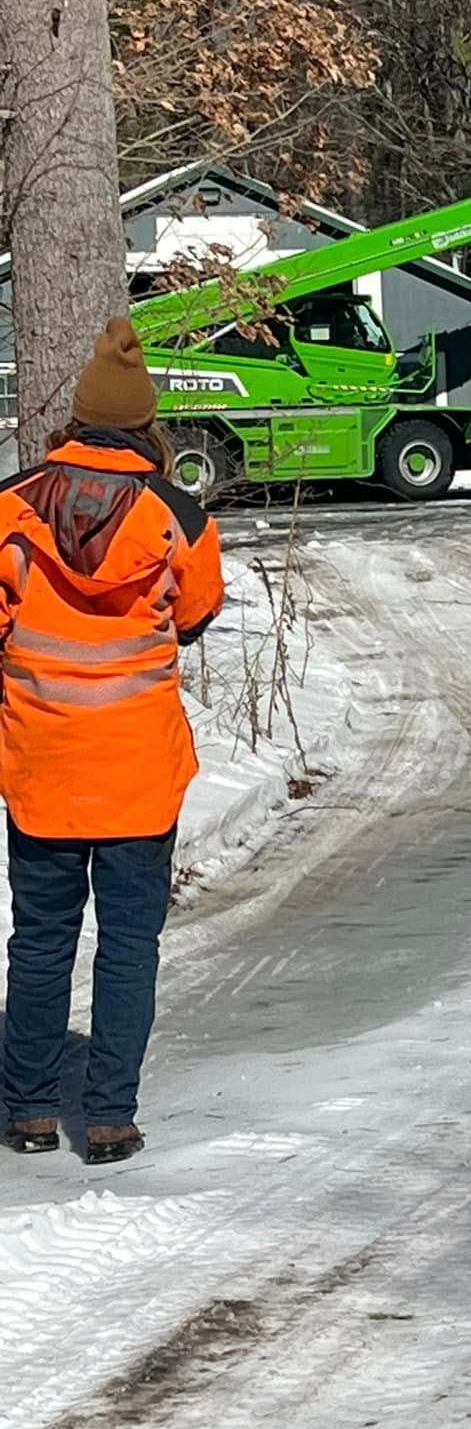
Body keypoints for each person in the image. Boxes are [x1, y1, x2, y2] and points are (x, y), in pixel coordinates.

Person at [0, 318, 224, 1165]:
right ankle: (106, 1118)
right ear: (144, 425)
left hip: (42, 764)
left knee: (40, 939)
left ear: (78, 417)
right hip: (138, 770)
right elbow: (197, 616)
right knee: (129, 946)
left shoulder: (13, 506)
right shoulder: (180, 515)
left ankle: (25, 1109)